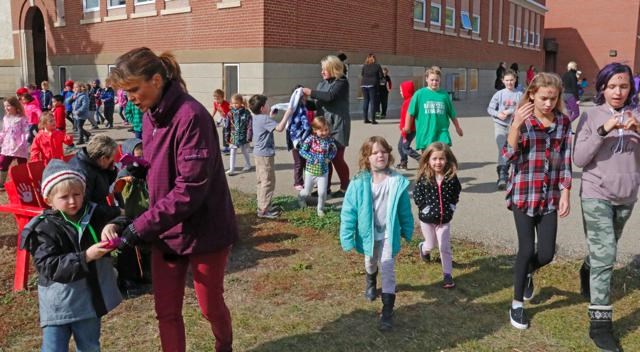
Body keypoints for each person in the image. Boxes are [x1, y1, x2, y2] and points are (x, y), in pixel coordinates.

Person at [107, 47, 238, 352]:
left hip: (205, 229)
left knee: (210, 306)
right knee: (166, 311)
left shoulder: (191, 116)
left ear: (156, 80)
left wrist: (140, 227)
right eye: (126, 93)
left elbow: (190, 187)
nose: (130, 99)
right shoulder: (150, 115)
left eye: (134, 90)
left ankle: (224, 346)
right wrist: (140, 168)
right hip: (166, 229)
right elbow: (164, 161)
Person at [20, 159, 125, 352]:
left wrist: (113, 225)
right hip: (58, 305)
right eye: (64, 197)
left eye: (77, 194)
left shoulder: (93, 212)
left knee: (90, 346)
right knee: (53, 348)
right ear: (49, 200)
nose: (72, 201)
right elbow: (49, 267)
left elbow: (125, 216)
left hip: (88, 303)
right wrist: (86, 256)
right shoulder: (43, 228)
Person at [573, 62, 639, 352]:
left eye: (623, 86)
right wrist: (604, 128)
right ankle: (600, 325)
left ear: (630, 89)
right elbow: (579, 158)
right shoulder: (590, 117)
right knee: (607, 255)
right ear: (602, 88)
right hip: (595, 193)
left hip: (626, 195)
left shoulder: (638, 115)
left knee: (604, 250)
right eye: (612, 86)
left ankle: (587, 269)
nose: (618, 91)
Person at [503, 72, 572, 330]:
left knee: (546, 253)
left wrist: (565, 192)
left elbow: (566, 158)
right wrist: (515, 126)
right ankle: (517, 304)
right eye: (543, 98)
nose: (548, 104)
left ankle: (529, 272)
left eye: (553, 99)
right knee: (525, 250)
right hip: (523, 193)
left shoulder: (563, 122)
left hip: (550, 196)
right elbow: (509, 156)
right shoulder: (523, 119)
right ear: (532, 94)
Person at [340, 136, 413, 331]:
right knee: (370, 261)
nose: (380, 155)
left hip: (389, 232)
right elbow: (349, 211)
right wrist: (346, 235)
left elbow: (404, 208)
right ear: (367, 158)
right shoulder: (358, 183)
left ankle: (387, 310)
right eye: (375, 152)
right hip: (368, 232)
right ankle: (371, 281)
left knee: (388, 267)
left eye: (383, 151)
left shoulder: (397, 181)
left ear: (389, 154)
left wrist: (407, 228)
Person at [414, 142, 461, 288]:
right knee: (431, 244)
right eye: (434, 159)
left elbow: (456, 192)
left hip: (444, 220)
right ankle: (424, 249)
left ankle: (447, 274)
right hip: (427, 220)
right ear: (428, 159)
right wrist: (424, 207)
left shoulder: (451, 178)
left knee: (444, 247)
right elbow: (417, 194)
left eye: (441, 159)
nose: (438, 162)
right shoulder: (424, 177)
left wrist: (452, 206)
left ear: (447, 159)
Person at [303, 55, 351, 198]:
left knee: (337, 157)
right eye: (322, 69)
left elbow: (329, 97)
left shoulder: (342, 82)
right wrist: (304, 101)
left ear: (333, 69)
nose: (322, 72)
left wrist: (310, 92)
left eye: (325, 69)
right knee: (324, 156)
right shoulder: (321, 84)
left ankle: (345, 187)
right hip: (323, 127)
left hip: (337, 125)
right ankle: (325, 187)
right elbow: (317, 104)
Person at [113, 138, 152, 298]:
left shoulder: (146, 167)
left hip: (145, 211)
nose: (142, 151)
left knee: (147, 246)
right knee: (129, 246)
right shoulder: (124, 171)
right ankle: (129, 279)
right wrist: (123, 181)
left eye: (143, 147)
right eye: (138, 148)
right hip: (129, 214)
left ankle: (145, 272)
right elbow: (116, 191)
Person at [249, 94, 291, 219]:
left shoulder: (257, 117)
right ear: (262, 108)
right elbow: (279, 128)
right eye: (267, 104)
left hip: (258, 153)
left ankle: (262, 204)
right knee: (268, 181)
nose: (269, 106)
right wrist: (287, 114)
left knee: (261, 180)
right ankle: (264, 210)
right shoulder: (265, 119)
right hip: (265, 155)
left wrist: (271, 116)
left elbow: (266, 125)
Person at [404, 66, 463, 151]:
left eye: (437, 80)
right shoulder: (419, 94)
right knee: (427, 158)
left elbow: (452, 113)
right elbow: (410, 112)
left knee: (443, 155)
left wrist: (458, 127)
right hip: (426, 133)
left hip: (441, 132)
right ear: (426, 79)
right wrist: (407, 127)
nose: (434, 82)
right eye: (432, 80)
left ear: (440, 80)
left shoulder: (444, 95)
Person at [68, 135, 121, 220]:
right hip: (88, 218)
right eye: (111, 159)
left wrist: (111, 170)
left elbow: (105, 184)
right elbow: (86, 207)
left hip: (100, 208)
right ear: (103, 158)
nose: (113, 160)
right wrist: (117, 211)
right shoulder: (83, 173)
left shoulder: (97, 163)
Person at [487, 69, 523, 190]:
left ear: (515, 80)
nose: (509, 82)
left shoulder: (519, 94)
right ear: (503, 81)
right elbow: (490, 109)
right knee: (502, 149)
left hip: (515, 127)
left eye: (511, 80)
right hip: (500, 125)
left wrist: (510, 111)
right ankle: (502, 176)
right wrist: (498, 114)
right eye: (507, 80)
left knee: (514, 150)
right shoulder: (499, 94)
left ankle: (515, 175)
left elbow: (522, 109)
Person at [297, 116, 337, 217]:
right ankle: (301, 198)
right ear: (315, 130)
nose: (324, 132)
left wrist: (330, 157)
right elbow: (302, 151)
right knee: (306, 191)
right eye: (321, 130)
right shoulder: (310, 139)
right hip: (310, 171)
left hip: (323, 172)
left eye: (326, 130)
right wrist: (311, 158)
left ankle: (320, 209)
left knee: (323, 193)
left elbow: (334, 150)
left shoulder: (330, 140)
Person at [284, 86, 313, 190]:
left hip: (307, 138)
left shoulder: (307, 106)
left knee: (307, 161)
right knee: (299, 162)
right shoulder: (295, 108)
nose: (304, 98)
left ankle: (309, 181)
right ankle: (298, 182)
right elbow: (305, 125)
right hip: (296, 139)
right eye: (302, 96)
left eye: (304, 96)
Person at [0, 97, 30, 190]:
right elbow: (4, 131)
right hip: (7, 146)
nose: (6, 108)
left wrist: (22, 143)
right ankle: (1, 183)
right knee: (2, 162)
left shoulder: (21, 118)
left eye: (8, 106)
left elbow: (26, 132)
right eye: (5, 106)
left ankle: (24, 182)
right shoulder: (5, 118)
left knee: (21, 165)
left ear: (15, 106)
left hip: (19, 147)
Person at [225, 94, 252, 176]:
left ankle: (248, 164)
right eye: (233, 103)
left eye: (236, 103)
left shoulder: (246, 113)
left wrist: (249, 136)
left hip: (243, 136)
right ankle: (232, 169)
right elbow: (227, 126)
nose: (234, 105)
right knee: (232, 152)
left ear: (241, 103)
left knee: (244, 151)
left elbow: (249, 126)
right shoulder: (230, 114)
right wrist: (227, 136)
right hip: (233, 136)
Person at [396, 80, 420, 170]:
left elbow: (409, 117)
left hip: (409, 129)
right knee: (400, 146)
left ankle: (421, 159)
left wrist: (406, 129)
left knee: (405, 147)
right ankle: (403, 162)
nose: (400, 92)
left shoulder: (409, 102)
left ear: (407, 91)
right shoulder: (409, 101)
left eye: (401, 91)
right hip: (406, 129)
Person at [360, 53, 384, 124]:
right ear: (374, 59)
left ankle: (365, 119)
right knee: (373, 102)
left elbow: (362, 74)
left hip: (364, 84)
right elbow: (381, 75)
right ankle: (373, 120)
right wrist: (378, 79)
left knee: (366, 101)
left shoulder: (364, 66)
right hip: (373, 84)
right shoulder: (377, 66)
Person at [212, 89, 231, 154]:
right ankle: (224, 146)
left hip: (228, 119)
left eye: (218, 99)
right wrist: (212, 116)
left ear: (223, 98)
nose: (217, 101)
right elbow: (214, 109)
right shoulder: (215, 103)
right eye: (215, 99)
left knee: (226, 132)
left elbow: (230, 112)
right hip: (222, 118)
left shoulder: (226, 104)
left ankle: (227, 147)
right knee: (215, 129)